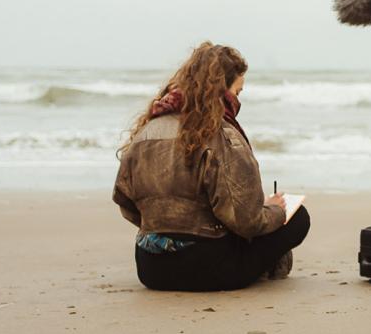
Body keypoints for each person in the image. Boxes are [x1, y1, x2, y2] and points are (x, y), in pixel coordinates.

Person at [113, 42, 309, 291]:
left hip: (151, 268)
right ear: (223, 92)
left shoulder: (146, 131)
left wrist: (164, 226)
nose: (238, 102)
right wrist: (275, 211)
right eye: (237, 93)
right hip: (207, 268)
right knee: (298, 218)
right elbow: (245, 221)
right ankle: (267, 264)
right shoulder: (222, 135)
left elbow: (125, 201)